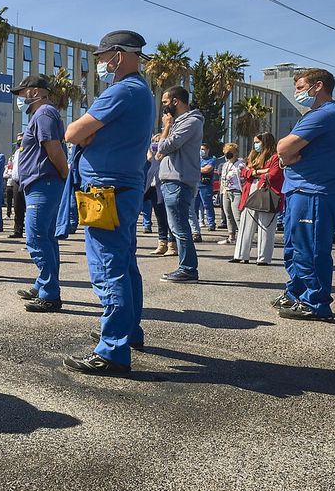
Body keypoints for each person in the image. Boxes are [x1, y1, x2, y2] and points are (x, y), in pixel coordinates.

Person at [62, 30, 153, 374]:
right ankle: (128, 332)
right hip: (122, 185)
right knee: (125, 263)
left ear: (118, 54)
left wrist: (87, 133)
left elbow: (72, 133)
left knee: (107, 266)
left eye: (102, 57)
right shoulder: (140, 90)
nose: (99, 63)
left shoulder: (122, 90)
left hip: (104, 189)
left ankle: (112, 349)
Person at [274, 68, 335, 321]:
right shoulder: (315, 114)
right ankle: (296, 293)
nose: (297, 92)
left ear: (317, 86)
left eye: (300, 87)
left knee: (311, 249)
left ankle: (315, 303)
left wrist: (289, 157)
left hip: (315, 190)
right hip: (300, 188)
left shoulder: (327, 113)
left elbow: (283, 147)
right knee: (295, 248)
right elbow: (285, 153)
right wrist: (289, 158)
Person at [13, 74, 69, 312]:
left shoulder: (44, 113)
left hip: (44, 184)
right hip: (42, 184)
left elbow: (54, 150)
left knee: (36, 238)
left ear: (34, 92)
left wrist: (66, 176)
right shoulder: (43, 114)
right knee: (47, 239)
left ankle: (50, 294)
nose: (19, 98)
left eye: (22, 93)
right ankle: (43, 284)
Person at [153, 85, 204, 283]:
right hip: (171, 180)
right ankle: (186, 267)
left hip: (179, 180)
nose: (164, 108)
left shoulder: (190, 121)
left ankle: (188, 269)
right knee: (177, 226)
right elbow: (158, 153)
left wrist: (166, 127)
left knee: (180, 227)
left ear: (176, 101)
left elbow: (165, 146)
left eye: (166, 102)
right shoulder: (179, 122)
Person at [230, 132, 283, 264]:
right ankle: (240, 255)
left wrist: (254, 172)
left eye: (258, 142)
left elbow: (273, 174)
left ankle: (264, 258)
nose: (255, 145)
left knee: (266, 227)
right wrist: (258, 172)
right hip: (250, 192)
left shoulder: (275, 157)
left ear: (265, 142)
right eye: (255, 142)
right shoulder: (253, 156)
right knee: (245, 224)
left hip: (267, 194)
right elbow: (244, 172)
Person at [215, 143, 244, 245]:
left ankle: (242, 238)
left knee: (237, 215)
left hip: (236, 192)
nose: (228, 154)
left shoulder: (240, 165)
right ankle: (231, 236)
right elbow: (222, 179)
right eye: (226, 152)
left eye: (230, 152)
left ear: (235, 153)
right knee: (228, 215)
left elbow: (243, 178)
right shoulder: (225, 165)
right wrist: (222, 191)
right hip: (226, 191)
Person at [197, 144, 218, 230]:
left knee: (207, 205)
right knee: (195, 206)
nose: (201, 151)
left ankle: (211, 223)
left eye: (203, 149)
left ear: (208, 150)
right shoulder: (196, 159)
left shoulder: (211, 159)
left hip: (205, 185)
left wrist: (195, 169)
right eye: (200, 149)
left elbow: (207, 169)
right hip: (195, 185)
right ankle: (195, 223)